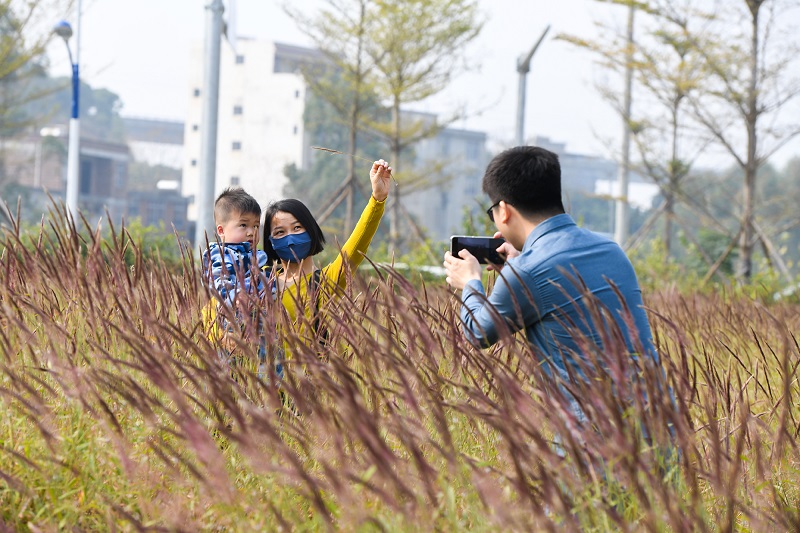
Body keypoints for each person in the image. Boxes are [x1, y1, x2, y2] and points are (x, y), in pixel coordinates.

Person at [443, 146, 659, 424]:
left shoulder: (528, 270)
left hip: (597, 438)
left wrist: (471, 281)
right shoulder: (611, 249)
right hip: (659, 425)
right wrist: (516, 269)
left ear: (504, 211)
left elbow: (478, 332)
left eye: (492, 212)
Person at [260, 159, 392, 376]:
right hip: (261, 391)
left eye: (297, 228)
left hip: (307, 395)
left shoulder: (325, 282)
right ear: (270, 242)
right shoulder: (259, 280)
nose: (290, 238)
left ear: (311, 231)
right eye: (280, 232)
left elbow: (357, 244)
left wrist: (377, 200)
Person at [202, 187, 271, 367]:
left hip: (258, 320)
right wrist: (236, 296)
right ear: (221, 230)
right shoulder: (221, 255)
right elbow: (219, 281)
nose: (251, 232)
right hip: (232, 319)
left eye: (256, 226)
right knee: (230, 366)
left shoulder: (256, 257)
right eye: (243, 225)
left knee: (268, 363)